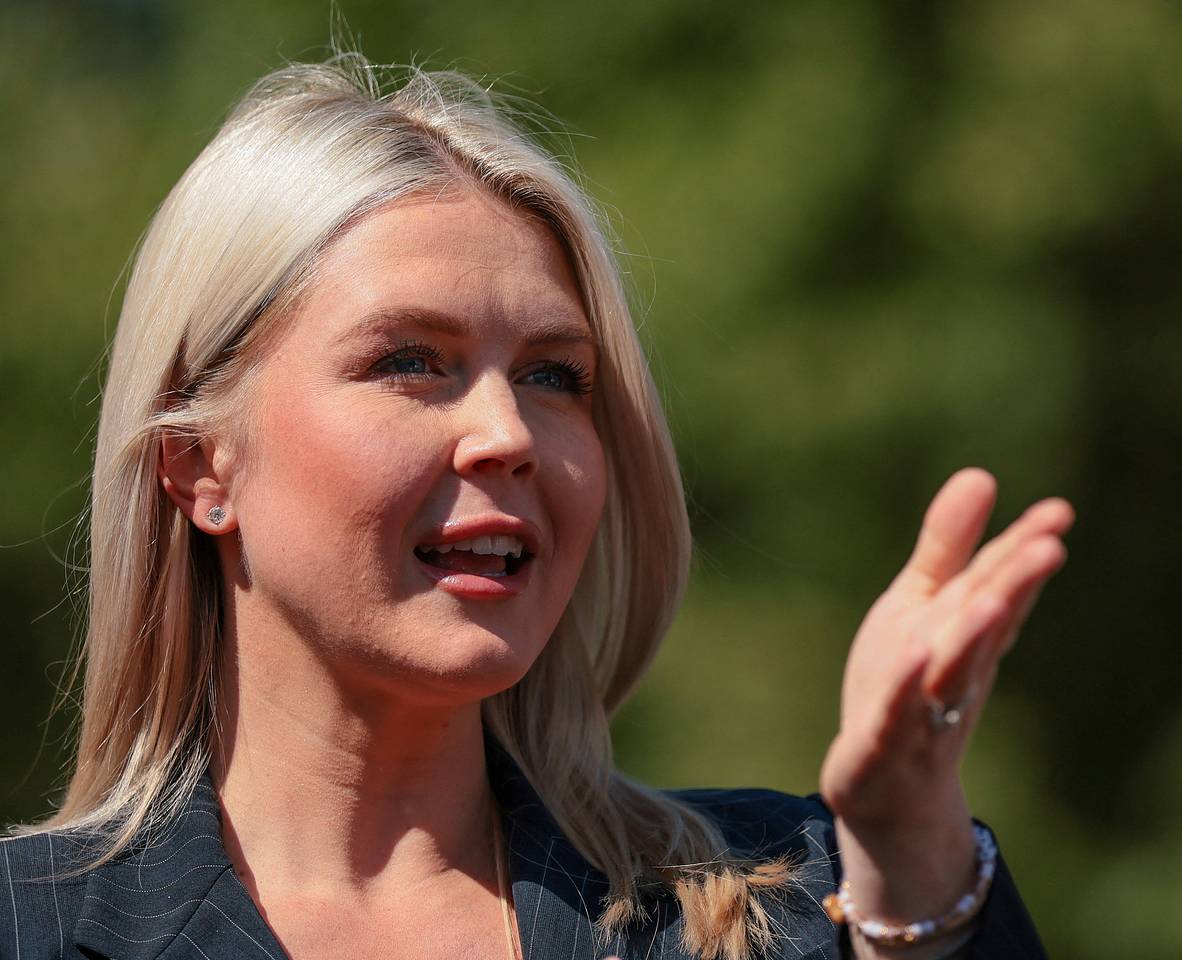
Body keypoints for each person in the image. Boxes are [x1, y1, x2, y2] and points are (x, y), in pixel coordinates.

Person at [0, 53, 1073, 960]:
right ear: (201, 468)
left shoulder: (796, 898)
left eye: (554, 375)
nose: (507, 432)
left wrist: (910, 849)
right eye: (411, 361)